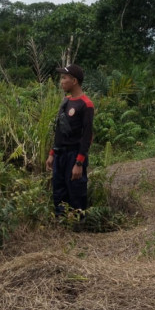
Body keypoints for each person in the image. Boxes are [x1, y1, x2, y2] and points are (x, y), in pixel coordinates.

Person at [46, 64, 94, 216]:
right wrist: (52, 153)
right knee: (59, 190)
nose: (61, 81)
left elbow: (87, 136)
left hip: (74, 154)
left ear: (74, 81)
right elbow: (59, 130)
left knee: (76, 191)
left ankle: (77, 224)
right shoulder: (65, 101)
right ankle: (61, 221)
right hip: (60, 154)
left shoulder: (86, 104)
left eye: (64, 78)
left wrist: (79, 162)